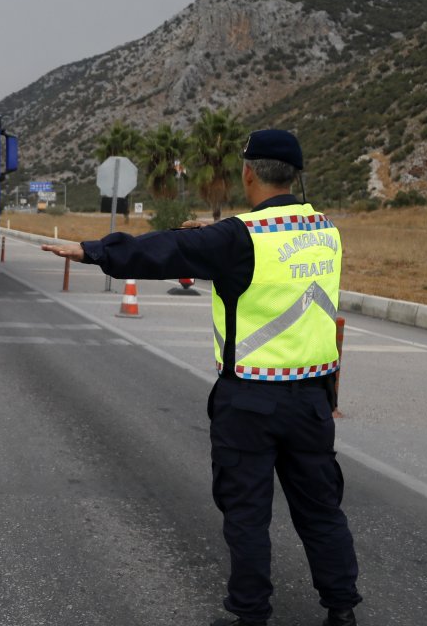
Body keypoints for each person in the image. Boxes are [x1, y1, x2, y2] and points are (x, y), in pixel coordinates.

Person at [43, 130, 362, 626]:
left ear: (248, 172)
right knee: (321, 511)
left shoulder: (236, 238)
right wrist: (215, 233)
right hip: (314, 401)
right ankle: (342, 609)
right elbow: (268, 243)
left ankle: (251, 613)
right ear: (296, 174)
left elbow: (166, 250)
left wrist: (94, 251)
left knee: (247, 515)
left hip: (250, 401)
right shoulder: (326, 230)